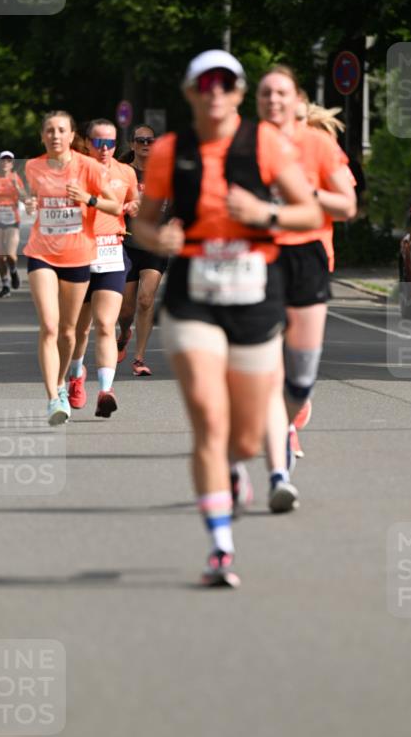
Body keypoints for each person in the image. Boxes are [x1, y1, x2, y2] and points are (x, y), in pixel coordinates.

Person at [133, 49, 321, 587]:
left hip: (255, 296)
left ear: (239, 92)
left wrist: (266, 214)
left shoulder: (264, 142)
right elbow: (144, 226)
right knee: (208, 422)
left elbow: (309, 211)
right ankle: (220, 546)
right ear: (191, 91)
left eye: (226, 83)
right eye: (205, 83)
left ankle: (239, 470)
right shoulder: (170, 151)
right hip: (194, 296)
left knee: (242, 437)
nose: (215, 92)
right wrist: (159, 237)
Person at [256, 66, 357, 512]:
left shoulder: (317, 144)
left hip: (309, 257)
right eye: (265, 93)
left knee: (300, 378)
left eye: (282, 92)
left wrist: (301, 194)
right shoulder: (243, 144)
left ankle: (291, 413)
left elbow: (348, 205)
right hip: (257, 261)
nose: (274, 100)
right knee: (267, 371)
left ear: (297, 100)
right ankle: (278, 474)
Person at [23, 110, 120, 425]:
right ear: (42, 136)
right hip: (41, 253)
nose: (54, 135)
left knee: (68, 331)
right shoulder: (33, 167)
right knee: (49, 326)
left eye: (60, 130)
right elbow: (35, 200)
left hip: (78, 255)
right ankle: (53, 398)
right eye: (49, 130)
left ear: (71, 135)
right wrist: (30, 205)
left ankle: (64, 381)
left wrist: (89, 199)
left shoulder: (88, 166)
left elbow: (114, 205)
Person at [66, 119, 139, 418]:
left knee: (106, 325)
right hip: (79, 253)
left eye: (111, 143)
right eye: (99, 143)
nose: (106, 149)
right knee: (80, 329)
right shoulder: (73, 170)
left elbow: (134, 200)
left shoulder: (126, 172)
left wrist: (136, 206)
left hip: (111, 251)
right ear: (85, 142)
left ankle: (105, 391)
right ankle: (76, 374)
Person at [116, 124, 167, 376]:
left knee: (146, 300)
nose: (146, 144)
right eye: (141, 140)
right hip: (126, 244)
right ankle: (125, 332)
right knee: (126, 310)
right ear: (133, 144)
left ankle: (139, 358)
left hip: (154, 245)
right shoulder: (123, 172)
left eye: (151, 140)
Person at [0, 151, 26, 297]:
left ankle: (13, 271)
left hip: (12, 219)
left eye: (9, 161)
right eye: (3, 160)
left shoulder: (16, 178)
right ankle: (5, 284)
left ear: (12, 164)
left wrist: (17, 187)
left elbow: (24, 198)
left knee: (11, 255)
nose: (5, 163)